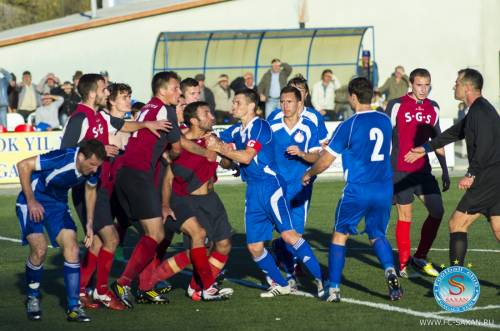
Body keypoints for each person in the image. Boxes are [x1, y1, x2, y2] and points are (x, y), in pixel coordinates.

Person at [60, 73, 170, 309]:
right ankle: (101, 291)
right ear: (92, 93)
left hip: (104, 186)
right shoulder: (80, 117)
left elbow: (123, 125)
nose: (106, 92)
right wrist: (98, 150)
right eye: (103, 88)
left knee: (101, 242)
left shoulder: (99, 116)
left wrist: (147, 124)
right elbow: (66, 150)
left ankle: (83, 290)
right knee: (111, 238)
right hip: (87, 187)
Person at [207, 89, 324, 298]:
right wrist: (217, 148)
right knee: (254, 247)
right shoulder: (236, 130)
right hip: (253, 189)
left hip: (271, 186)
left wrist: (222, 150)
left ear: (252, 106)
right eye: (233, 102)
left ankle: (322, 281)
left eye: (237, 102)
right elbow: (217, 142)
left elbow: (246, 157)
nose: (233, 106)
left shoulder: (260, 126)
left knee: (289, 235)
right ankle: (281, 284)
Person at [302, 77, 402, 302]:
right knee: (377, 234)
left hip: (358, 189)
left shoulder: (348, 125)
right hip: (383, 187)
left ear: (353, 97)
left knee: (340, 235)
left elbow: (325, 162)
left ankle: (334, 288)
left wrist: (308, 174)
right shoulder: (385, 120)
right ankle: (390, 271)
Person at [405, 68, 500, 267]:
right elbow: (453, 133)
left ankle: (456, 279)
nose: (453, 86)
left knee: (457, 223)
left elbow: (485, 145)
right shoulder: (478, 110)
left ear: (466, 87)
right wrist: (424, 149)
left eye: (456, 82)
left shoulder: (480, 112)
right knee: (498, 228)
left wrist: (471, 174)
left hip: (487, 178)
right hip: (494, 177)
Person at [141, 101, 234, 301]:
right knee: (198, 250)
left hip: (212, 199)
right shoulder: (179, 143)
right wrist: (165, 205)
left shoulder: (212, 138)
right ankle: (151, 281)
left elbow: (227, 163)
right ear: (193, 120)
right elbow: (168, 178)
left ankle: (196, 288)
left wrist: (220, 150)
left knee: (224, 244)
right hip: (189, 201)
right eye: (206, 113)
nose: (212, 116)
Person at [111, 71, 183, 307]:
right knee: (156, 234)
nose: (179, 92)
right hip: (137, 176)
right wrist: (169, 156)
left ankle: (144, 287)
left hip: (126, 175)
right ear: (162, 91)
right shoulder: (167, 111)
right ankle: (123, 283)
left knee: (148, 234)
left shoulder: (147, 108)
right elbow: (177, 148)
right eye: (176, 88)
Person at [15, 139, 106, 322]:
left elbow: (90, 190)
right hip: (33, 199)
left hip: (58, 205)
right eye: (92, 164)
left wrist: (89, 223)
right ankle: (33, 297)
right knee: (39, 250)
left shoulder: (92, 168)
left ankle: (74, 307)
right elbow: (23, 165)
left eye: (98, 166)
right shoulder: (62, 157)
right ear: (81, 157)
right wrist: (32, 201)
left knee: (72, 250)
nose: (95, 170)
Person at [385, 68, 450, 278]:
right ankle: (403, 265)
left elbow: (437, 141)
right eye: (419, 84)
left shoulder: (434, 108)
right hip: (400, 171)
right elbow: (385, 137)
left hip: (423, 172)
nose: (423, 89)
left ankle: (419, 257)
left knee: (437, 211)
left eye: (427, 85)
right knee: (406, 216)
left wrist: (445, 170)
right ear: (411, 84)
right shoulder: (396, 105)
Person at [268, 86, 322, 287]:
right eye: (282, 101)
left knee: (296, 234)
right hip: (277, 187)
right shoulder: (272, 126)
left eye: (289, 101)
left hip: (301, 187)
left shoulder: (309, 127)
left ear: (299, 103)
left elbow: (317, 156)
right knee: (286, 232)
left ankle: (283, 257)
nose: (285, 105)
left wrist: (301, 153)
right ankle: (290, 273)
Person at [268, 75, 329, 145]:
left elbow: (323, 143)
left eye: (300, 90)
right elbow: (262, 139)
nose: (296, 93)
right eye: (293, 89)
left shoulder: (315, 116)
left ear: (306, 94)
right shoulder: (275, 115)